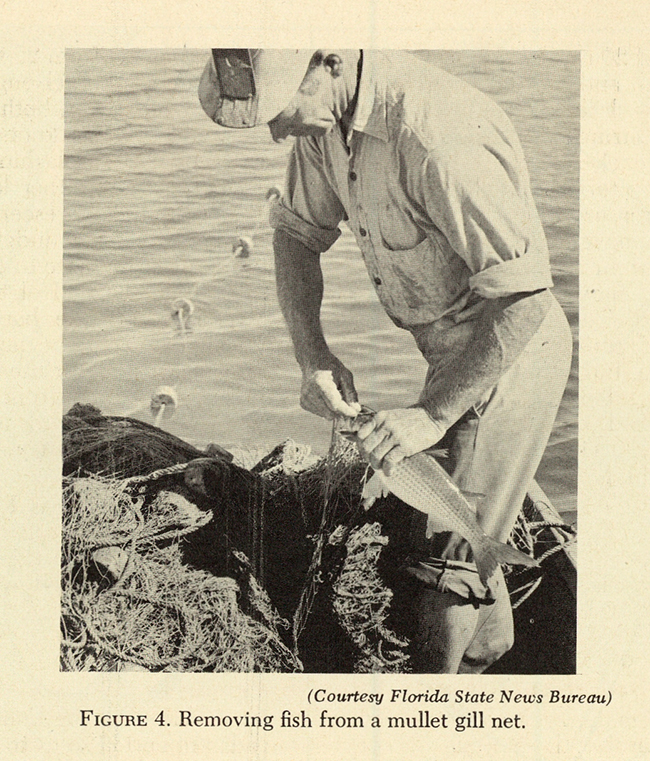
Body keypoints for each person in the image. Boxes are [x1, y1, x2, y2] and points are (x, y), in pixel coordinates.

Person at [199, 49, 573, 673]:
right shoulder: (326, 122)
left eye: (280, 108)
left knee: (442, 568)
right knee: (471, 596)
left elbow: (524, 298)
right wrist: (311, 354)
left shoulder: (433, 133)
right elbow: (294, 235)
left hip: (511, 349)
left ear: (328, 64)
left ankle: (422, 722)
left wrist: (430, 416)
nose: (274, 130)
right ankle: (483, 651)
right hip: (448, 353)